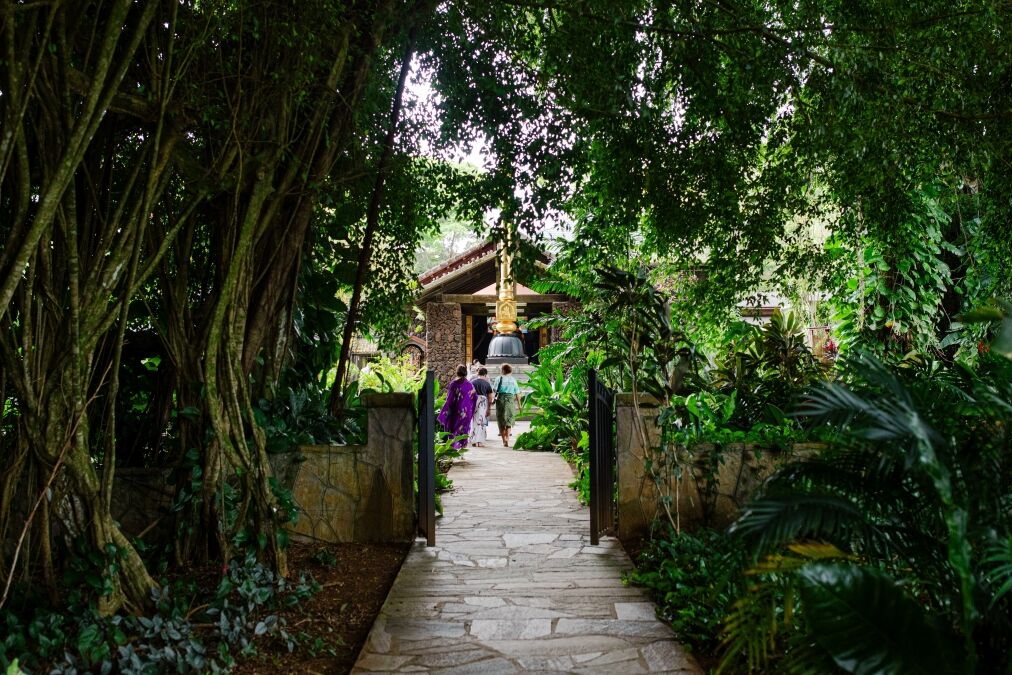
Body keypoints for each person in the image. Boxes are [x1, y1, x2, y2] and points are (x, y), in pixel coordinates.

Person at [437, 365, 476, 450]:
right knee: (464, 429)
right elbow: (474, 398)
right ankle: (462, 449)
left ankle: (452, 449)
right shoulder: (469, 385)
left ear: (457, 372)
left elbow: (450, 398)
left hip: (456, 411)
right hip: (466, 412)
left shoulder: (454, 384)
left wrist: (444, 410)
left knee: (453, 428)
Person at [492, 363, 522, 447]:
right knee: (509, 418)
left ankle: (504, 440)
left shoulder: (499, 378)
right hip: (510, 400)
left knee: (501, 418)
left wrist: (492, 400)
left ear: (503, 370)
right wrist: (519, 405)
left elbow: (494, 390)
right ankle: (507, 438)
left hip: (500, 399)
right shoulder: (513, 380)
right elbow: (517, 393)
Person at [469, 367, 493, 447]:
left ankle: (473, 440)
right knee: (481, 421)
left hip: (474, 402)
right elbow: (490, 398)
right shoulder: (487, 383)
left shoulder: (472, 382)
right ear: (485, 374)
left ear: (478, 373)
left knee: (474, 421)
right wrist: (489, 408)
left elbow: (468, 394)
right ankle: (479, 441)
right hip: (483, 402)